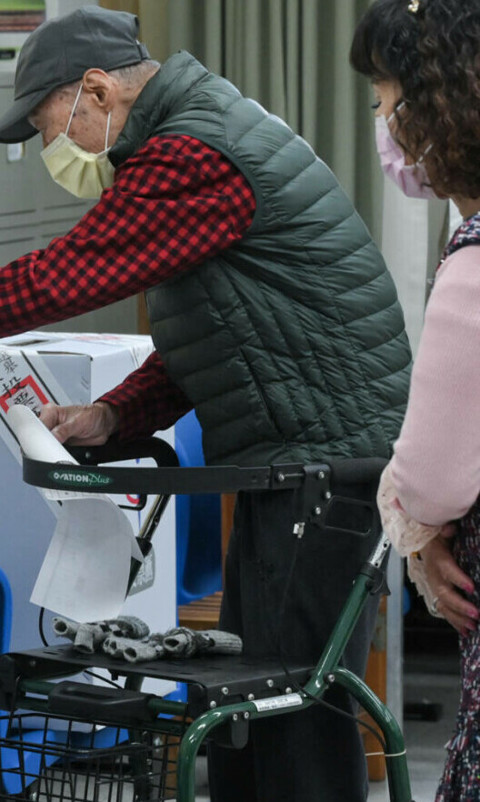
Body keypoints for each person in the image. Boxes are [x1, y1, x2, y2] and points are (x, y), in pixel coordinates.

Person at [0, 7, 412, 801]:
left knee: (290, 717)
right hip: (299, 458)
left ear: (95, 91)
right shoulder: (199, 132)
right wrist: (116, 415)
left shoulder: (192, 152)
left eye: (48, 124)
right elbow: (231, 328)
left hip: (322, 464)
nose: (50, 148)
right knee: (252, 710)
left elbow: (58, 278)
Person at [353, 1, 480, 798]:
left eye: (384, 99)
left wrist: (414, 532)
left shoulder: (471, 269)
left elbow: (431, 479)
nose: (383, 123)